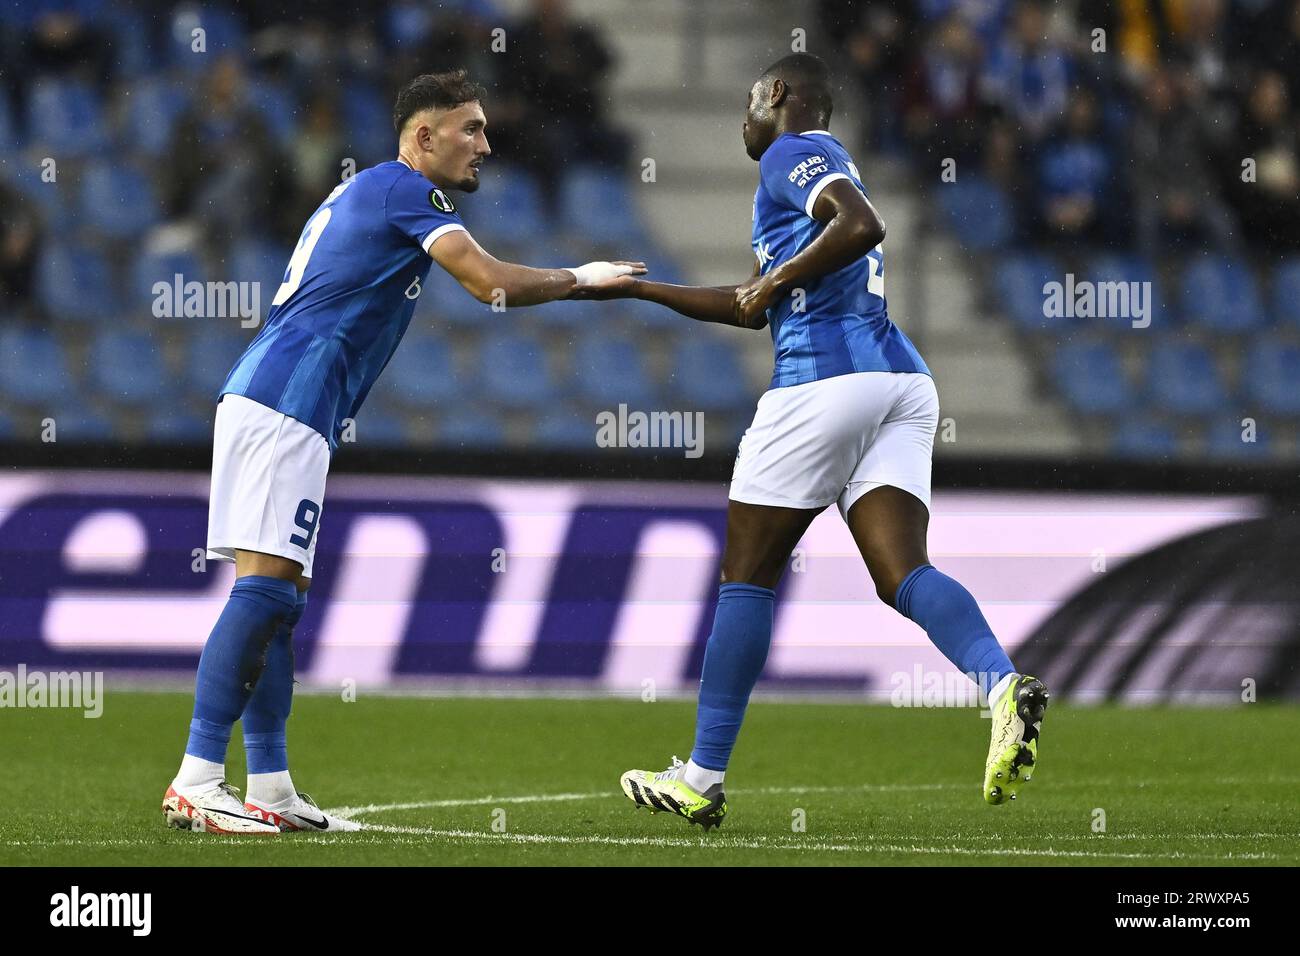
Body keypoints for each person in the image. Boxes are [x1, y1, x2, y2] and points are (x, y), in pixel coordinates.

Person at [571, 53, 1048, 830]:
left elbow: (862, 225)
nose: (743, 118)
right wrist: (639, 288)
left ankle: (700, 776)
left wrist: (776, 279)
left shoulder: (797, 152)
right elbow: (749, 306)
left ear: (780, 95)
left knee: (747, 575)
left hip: (823, 383)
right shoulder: (810, 172)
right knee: (902, 573)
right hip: (899, 383)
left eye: (750, 99)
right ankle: (1001, 687)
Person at [163, 69, 643, 834]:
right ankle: (196, 778)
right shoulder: (404, 190)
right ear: (423, 137)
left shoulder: (378, 189)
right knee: (263, 594)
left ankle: (272, 785)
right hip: (285, 398)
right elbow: (487, 284)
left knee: (279, 603)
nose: (486, 144)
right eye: (470, 129)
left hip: (287, 401)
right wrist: (582, 278)